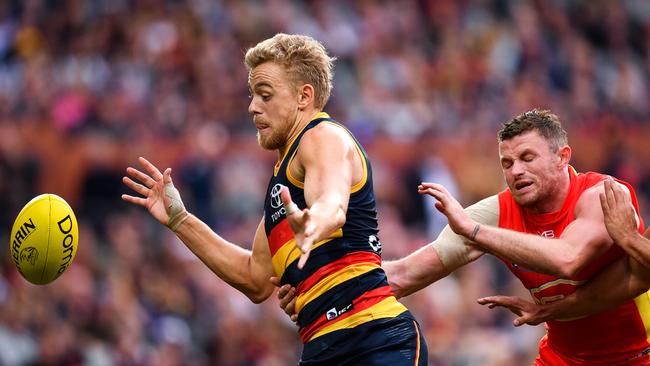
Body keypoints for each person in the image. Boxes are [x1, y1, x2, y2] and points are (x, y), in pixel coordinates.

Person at [121, 33, 427, 366]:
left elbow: (332, 204)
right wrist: (181, 220)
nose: (253, 107)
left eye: (265, 95)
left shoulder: (321, 136)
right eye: (253, 95)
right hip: (322, 348)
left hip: (375, 340)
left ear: (303, 96)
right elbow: (254, 278)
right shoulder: (282, 185)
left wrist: (313, 222)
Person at [276, 109, 650, 364]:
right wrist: (319, 289)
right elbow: (405, 275)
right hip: (562, 358)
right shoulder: (496, 212)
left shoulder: (602, 195)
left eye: (527, 158)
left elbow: (569, 258)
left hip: (639, 354)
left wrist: (473, 231)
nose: (515, 170)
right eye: (507, 163)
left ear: (563, 156)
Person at [476, 178, 650, 327]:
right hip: (561, 351)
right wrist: (549, 311)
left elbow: (569, 260)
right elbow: (631, 278)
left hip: (637, 347)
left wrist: (629, 238)